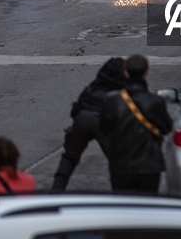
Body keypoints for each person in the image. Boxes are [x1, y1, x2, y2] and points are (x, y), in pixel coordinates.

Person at [100, 55, 172, 194]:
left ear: (126, 73)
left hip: (120, 165)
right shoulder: (156, 102)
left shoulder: (112, 101)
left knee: (123, 207)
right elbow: (166, 127)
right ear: (146, 72)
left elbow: (104, 129)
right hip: (149, 166)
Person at [51, 57, 126, 192]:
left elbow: (77, 107)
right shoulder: (122, 91)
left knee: (70, 157)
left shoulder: (94, 85)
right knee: (118, 162)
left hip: (83, 118)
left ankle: (56, 190)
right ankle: (122, 193)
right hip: (104, 122)